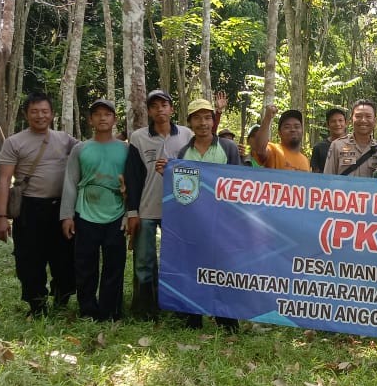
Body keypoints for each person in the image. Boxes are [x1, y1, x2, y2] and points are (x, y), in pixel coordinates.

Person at [0, 93, 78, 316]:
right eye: (34, 111)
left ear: (52, 114)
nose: (40, 116)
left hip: (62, 209)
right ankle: (37, 305)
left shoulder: (64, 139)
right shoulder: (15, 142)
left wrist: (121, 136)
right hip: (29, 209)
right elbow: (4, 181)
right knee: (30, 260)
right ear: (26, 114)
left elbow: (90, 150)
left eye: (44, 111)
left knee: (64, 258)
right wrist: (0, 217)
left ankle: (62, 302)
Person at [171, 98, 243, 331]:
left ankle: (227, 320)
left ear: (213, 121)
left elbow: (238, 185)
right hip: (194, 224)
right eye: (197, 118)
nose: (203, 123)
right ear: (190, 122)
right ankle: (193, 319)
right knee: (193, 269)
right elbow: (180, 190)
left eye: (207, 117)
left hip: (222, 223)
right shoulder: (183, 153)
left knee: (224, 270)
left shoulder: (228, 148)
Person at [125, 90, 194, 319]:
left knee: (177, 260)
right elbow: (133, 178)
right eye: (154, 106)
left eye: (164, 104)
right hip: (147, 208)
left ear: (171, 109)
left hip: (179, 209)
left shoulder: (187, 134)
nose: (160, 109)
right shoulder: (138, 137)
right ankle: (145, 309)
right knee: (144, 262)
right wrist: (132, 212)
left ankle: (179, 309)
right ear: (149, 111)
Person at [61, 99, 128, 321]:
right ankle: (88, 309)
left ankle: (111, 311)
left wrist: (130, 213)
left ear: (114, 120)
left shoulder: (126, 150)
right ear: (90, 120)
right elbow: (70, 182)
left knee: (114, 265)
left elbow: (132, 185)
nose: (102, 118)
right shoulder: (80, 149)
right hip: (85, 211)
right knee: (85, 264)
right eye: (97, 114)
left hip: (116, 212)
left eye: (107, 114)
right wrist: (67, 216)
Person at [323, 99, 377, 177]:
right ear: (351, 120)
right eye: (358, 116)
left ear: (375, 121)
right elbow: (328, 178)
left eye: (368, 116)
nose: (363, 120)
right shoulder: (337, 145)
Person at [249, 105, 311, 171]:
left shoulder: (305, 160)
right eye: (287, 127)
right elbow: (260, 149)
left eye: (297, 126)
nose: (293, 129)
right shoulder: (274, 150)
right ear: (279, 133)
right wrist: (267, 117)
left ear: (302, 131)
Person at [311, 107, 347, 173]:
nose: (337, 124)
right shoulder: (319, 147)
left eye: (340, 120)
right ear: (327, 125)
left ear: (346, 123)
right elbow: (315, 175)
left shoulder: (353, 145)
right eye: (333, 121)